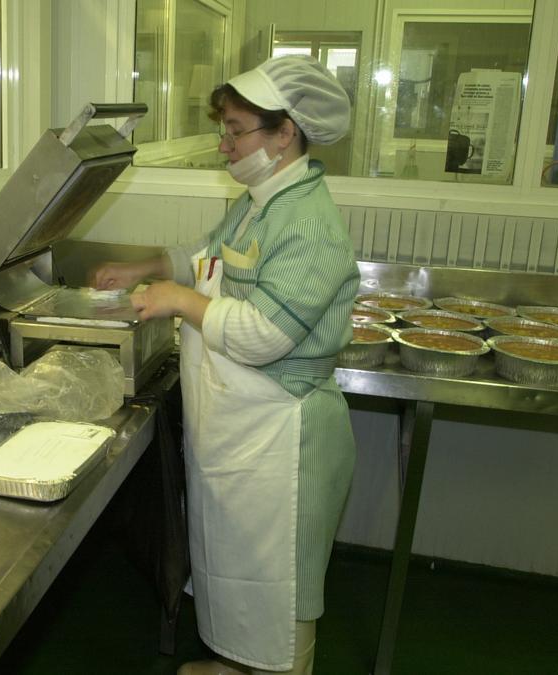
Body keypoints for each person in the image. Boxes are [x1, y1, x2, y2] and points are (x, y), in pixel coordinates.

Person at [93, 55, 359, 675]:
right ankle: (238, 663)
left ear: (284, 133)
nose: (223, 144)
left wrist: (179, 302)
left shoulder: (309, 222)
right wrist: (147, 270)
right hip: (240, 425)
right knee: (233, 560)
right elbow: (209, 257)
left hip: (281, 436)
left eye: (236, 130)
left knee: (278, 576)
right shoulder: (259, 200)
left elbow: (267, 333)